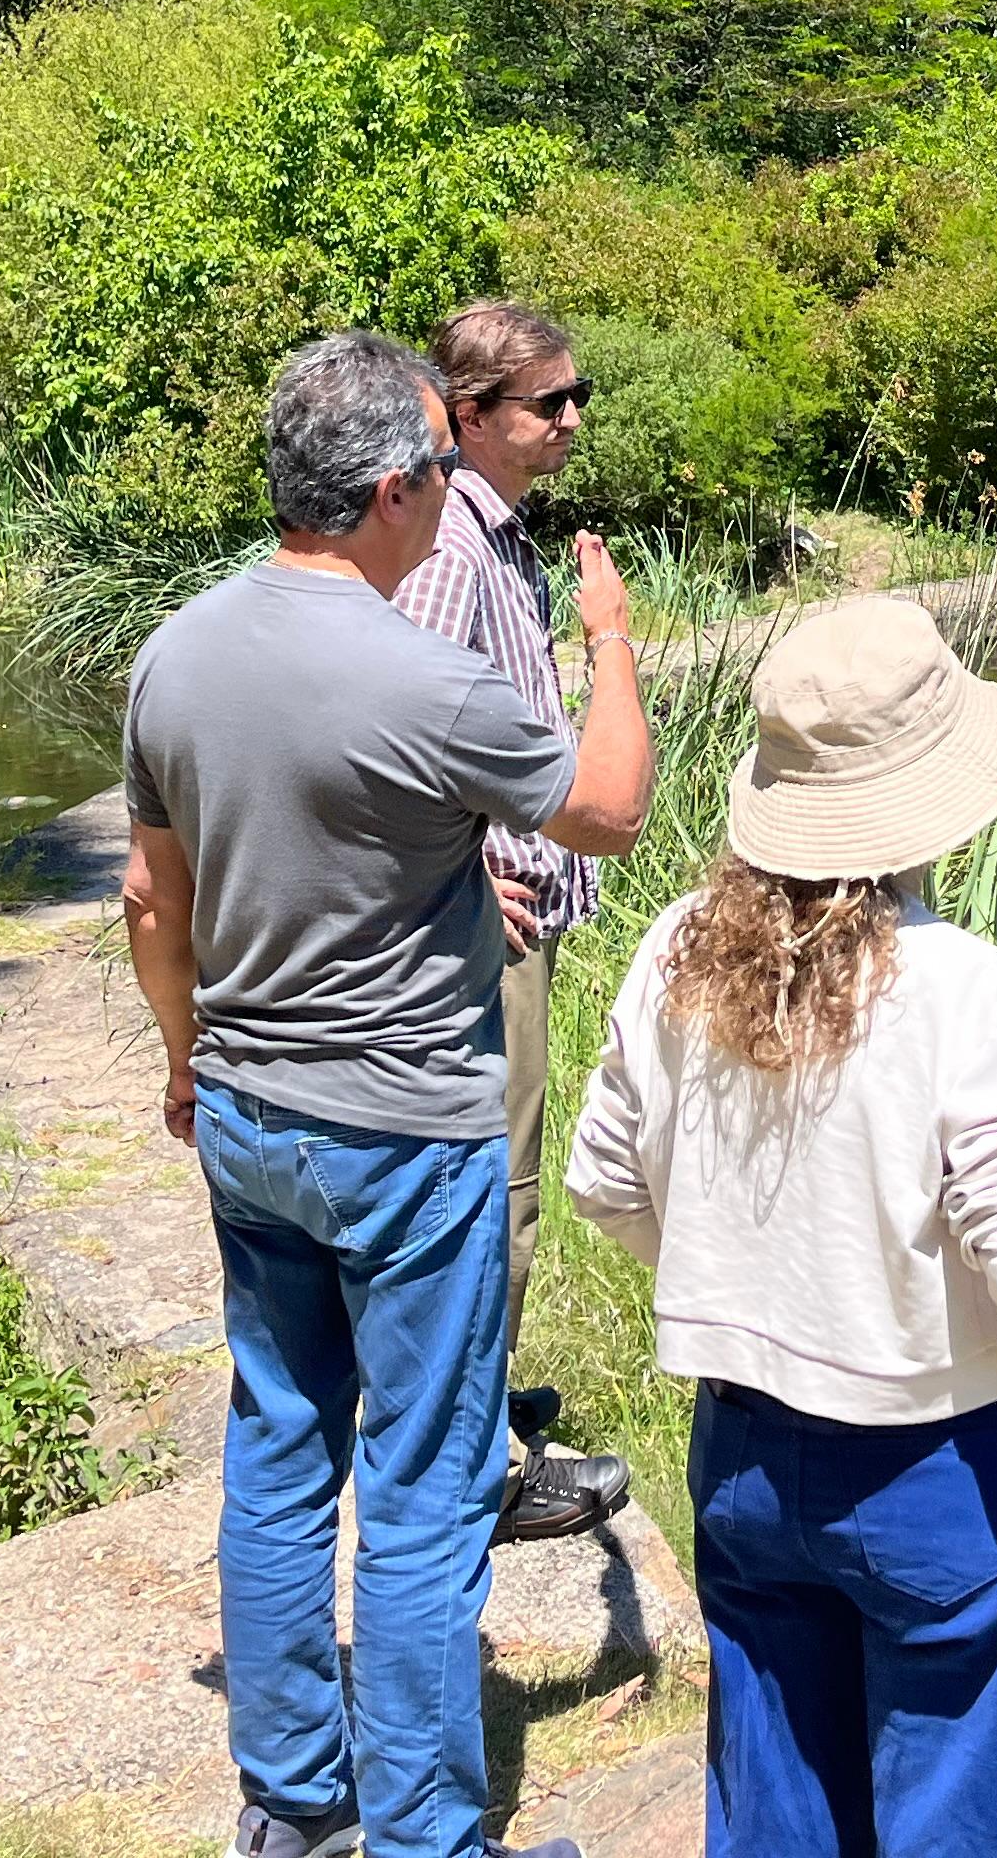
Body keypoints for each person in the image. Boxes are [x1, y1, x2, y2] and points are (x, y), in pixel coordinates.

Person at [120, 330, 657, 1858]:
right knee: (420, 1491)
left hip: (245, 1109)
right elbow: (607, 808)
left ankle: (292, 1807)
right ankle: (429, 1835)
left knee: (280, 1450)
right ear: (385, 490)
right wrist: (610, 640)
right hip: (409, 1134)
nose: (440, 491)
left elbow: (153, 904)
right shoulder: (420, 676)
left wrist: (183, 1056)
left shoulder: (177, 651)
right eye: (430, 466)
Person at [566, 596, 997, 1858]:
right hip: (955, 1467)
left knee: (777, 1801)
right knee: (967, 1806)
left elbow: (604, 1180)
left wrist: (743, 1279)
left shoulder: (675, 955)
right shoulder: (963, 992)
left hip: (750, 1450)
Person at [390, 299, 631, 1543]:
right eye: (550, 404)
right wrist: (462, 864)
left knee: (499, 1180)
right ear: (470, 416)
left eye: (578, 396)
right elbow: (396, 725)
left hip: (512, 914)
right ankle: (477, 1474)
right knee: (500, 1190)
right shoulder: (447, 552)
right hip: (491, 929)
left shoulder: (493, 533)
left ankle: (473, 1405)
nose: (573, 420)